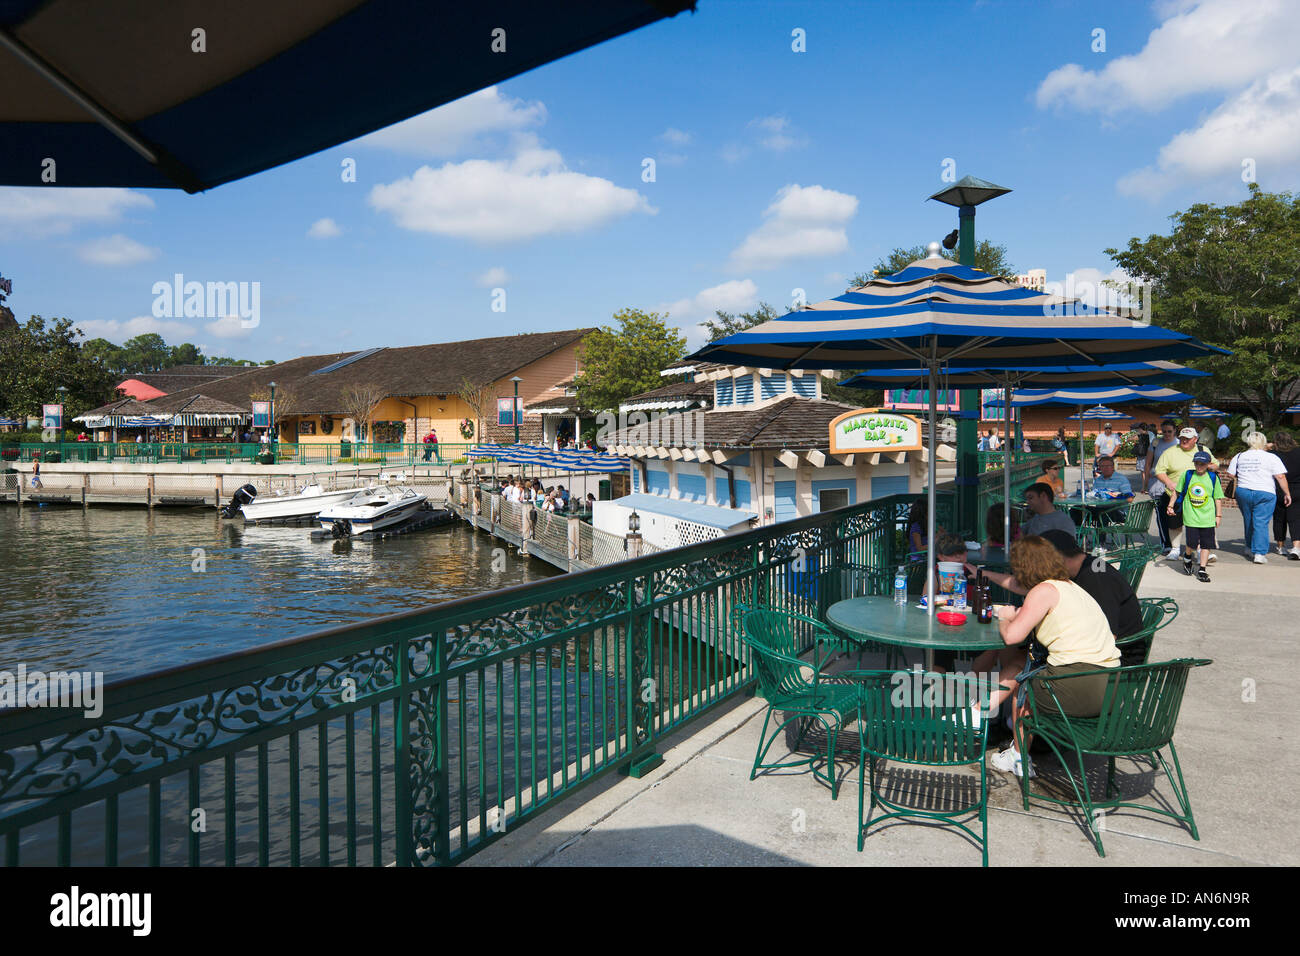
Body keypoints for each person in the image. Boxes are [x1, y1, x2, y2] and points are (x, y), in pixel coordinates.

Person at [978, 536, 1120, 779]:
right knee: (1023, 664)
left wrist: (1004, 616)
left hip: (1080, 683)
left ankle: (1018, 755)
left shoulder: (1043, 591)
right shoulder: (1070, 587)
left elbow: (1012, 636)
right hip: (1112, 687)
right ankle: (981, 712)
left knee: (1025, 685)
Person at [971, 528, 1144, 666]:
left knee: (1017, 656)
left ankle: (988, 702)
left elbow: (1109, 635)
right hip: (1089, 659)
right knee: (1014, 653)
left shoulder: (1097, 578)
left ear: (1056, 557)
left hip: (1111, 660)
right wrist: (982, 573)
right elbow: (1024, 586)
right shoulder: (1078, 571)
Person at [1154, 427, 1217, 561]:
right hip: (1176, 494)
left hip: (1199, 496)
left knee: (1200, 523)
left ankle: (1201, 551)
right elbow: (1159, 471)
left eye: (1187, 439)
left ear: (1195, 439)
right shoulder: (1170, 452)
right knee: (1174, 523)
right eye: (1182, 438)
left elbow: (1215, 465)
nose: (1184, 441)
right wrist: (1169, 483)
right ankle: (1175, 549)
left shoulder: (1203, 450)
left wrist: (1207, 467)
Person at [1227, 432, 1291, 564]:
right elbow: (1280, 476)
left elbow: (1230, 474)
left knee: (1249, 520)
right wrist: (1287, 493)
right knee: (1261, 522)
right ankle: (1259, 553)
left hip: (1243, 491)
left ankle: (1249, 547)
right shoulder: (1271, 457)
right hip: (1265, 492)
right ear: (1264, 442)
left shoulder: (1239, 456)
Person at [1167, 450, 1223, 582]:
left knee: (1206, 544)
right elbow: (1177, 491)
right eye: (1197, 463)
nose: (1199, 466)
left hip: (1208, 516)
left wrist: (1218, 515)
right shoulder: (1188, 475)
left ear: (1208, 464)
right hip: (1191, 516)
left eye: (1202, 464)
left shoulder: (1213, 478)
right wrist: (1170, 505)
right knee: (1191, 543)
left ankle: (1202, 569)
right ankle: (1187, 557)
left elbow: (1218, 498)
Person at [1270, 431, 1300, 559]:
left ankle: (1280, 546)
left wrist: (1268, 446)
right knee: (1296, 519)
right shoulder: (1298, 452)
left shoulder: (1272, 454)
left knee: (1279, 518)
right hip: (1297, 487)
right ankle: (1296, 547)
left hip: (1279, 488)